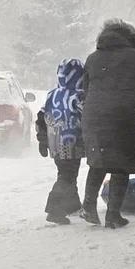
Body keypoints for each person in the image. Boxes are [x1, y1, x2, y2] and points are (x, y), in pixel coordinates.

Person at [80, 20, 135, 228]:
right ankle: (113, 216)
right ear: (133, 40)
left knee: (98, 160)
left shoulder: (92, 58)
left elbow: (84, 90)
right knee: (121, 164)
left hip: (93, 117)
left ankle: (88, 207)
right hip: (121, 118)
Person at [36, 58, 86, 225]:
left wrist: (42, 141)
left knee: (66, 174)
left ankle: (72, 206)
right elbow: (86, 118)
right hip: (72, 144)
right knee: (67, 176)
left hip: (55, 144)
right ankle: (54, 210)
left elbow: (40, 119)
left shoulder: (52, 94)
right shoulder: (78, 96)